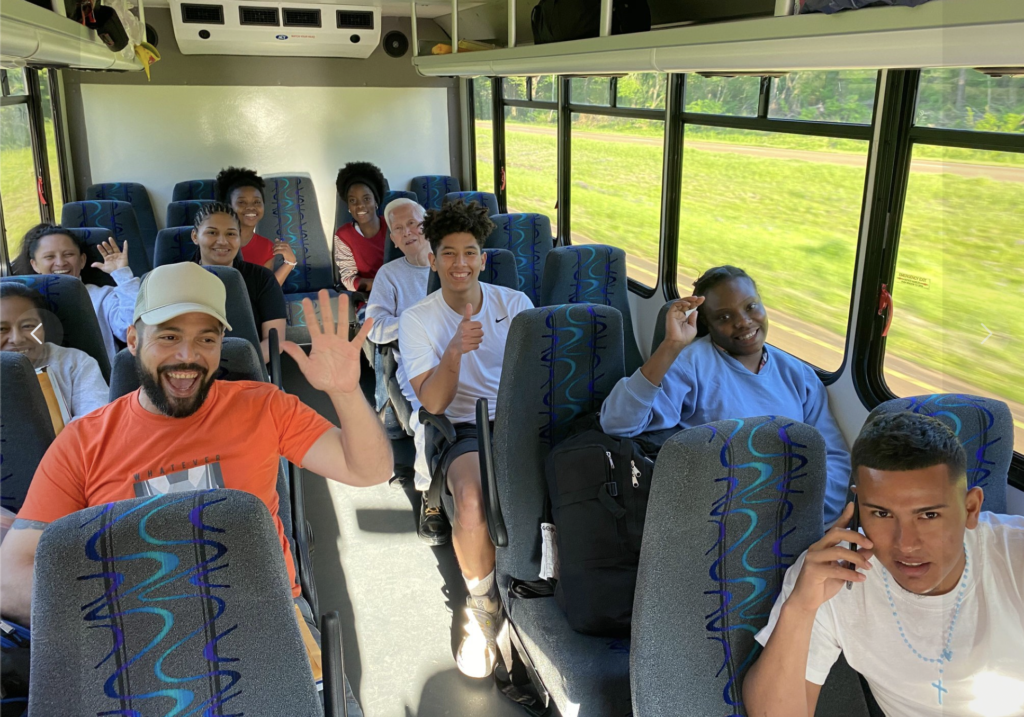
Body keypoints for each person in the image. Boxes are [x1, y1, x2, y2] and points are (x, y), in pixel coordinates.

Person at [0, 263, 391, 716]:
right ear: (133, 341)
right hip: (129, 634)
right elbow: (11, 580)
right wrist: (142, 609)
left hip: (266, 616)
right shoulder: (84, 442)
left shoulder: (262, 406)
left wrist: (344, 391)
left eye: (206, 338)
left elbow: (370, 470)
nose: (188, 354)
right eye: (168, 336)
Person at [743, 412, 1024, 717]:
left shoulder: (1014, 555)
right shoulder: (828, 577)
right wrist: (799, 609)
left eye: (928, 516)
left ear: (970, 508)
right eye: (881, 514)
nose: (906, 544)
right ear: (858, 505)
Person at [599, 265, 850, 527]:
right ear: (707, 324)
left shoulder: (799, 375)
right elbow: (617, 423)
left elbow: (833, 456)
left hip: (794, 519)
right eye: (724, 317)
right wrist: (671, 346)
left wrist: (808, 517)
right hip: (716, 519)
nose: (742, 321)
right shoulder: (690, 366)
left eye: (751, 306)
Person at [399, 200, 533, 678]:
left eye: (470, 253)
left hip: (517, 419)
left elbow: (534, 379)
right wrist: (454, 351)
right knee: (474, 498)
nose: (460, 264)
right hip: (460, 425)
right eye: (449, 254)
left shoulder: (514, 305)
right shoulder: (417, 320)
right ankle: (482, 605)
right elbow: (431, 404)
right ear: (433, 259)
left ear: (482, 258)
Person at [365, 197, 445, 544]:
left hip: (464, 356)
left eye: (413, 223)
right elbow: (374, 327)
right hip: (415, 362)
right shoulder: (390, 274)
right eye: (398, 229)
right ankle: (432, 498)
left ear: (428, 224)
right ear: (393, 240)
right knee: (429, 417)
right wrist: (414, 321)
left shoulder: (453, 261)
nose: (408, 231)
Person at [18, 223, 139, 362]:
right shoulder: (23, 304)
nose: (60, 263)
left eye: (68, 254)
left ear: (82, 260)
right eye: (50, 257)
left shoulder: (103, 296)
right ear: (35, 265)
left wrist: (122, 274)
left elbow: (130, 330)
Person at [190, 202, 287, 364]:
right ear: (195, 236)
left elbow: (274, 343)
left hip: (249, 369)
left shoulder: (262, 278)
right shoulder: (177, 278)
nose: (222, 241)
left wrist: (239, 367)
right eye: (212, 232)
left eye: (231, 234)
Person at [0, 282, 108, 421]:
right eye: (2, 329)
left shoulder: (74, 363)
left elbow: (95, 422)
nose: (17, 339)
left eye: (28, 326)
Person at [215, 166, 298, 287]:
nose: (251, 207)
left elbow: (266, 290)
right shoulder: (215, 243)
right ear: (228, 206)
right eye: (242, 202)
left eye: (257, 202)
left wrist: (289, 262)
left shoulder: (266, 247)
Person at [333, 162, 387, 293]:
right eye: (353, 201)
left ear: (376, 202)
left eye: (366, 199)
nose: (360, 205)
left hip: (402, 293)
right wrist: (380, 285)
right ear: (348, 207)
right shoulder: (343, 236)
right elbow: (348, 279)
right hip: (369, 297)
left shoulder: (393, 226)